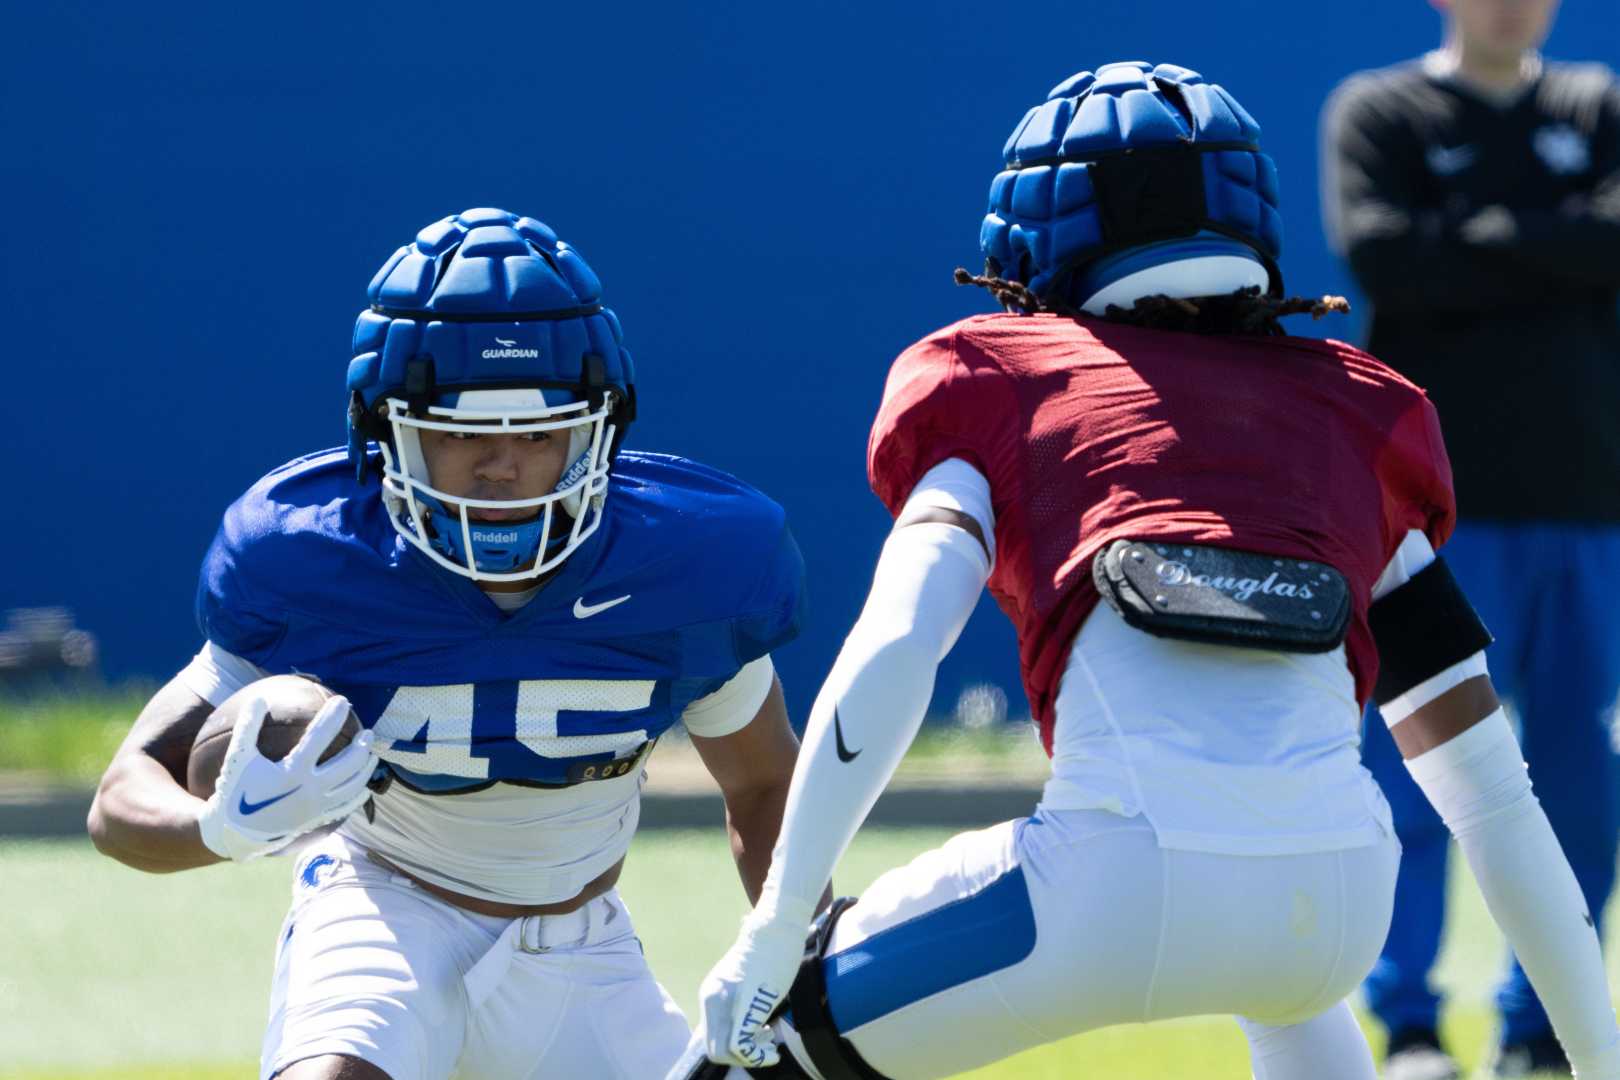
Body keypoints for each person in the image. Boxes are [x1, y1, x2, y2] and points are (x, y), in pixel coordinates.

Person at [670, 62, 1620, 1080]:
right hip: (1335, 910)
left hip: (1106, 895)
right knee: (1286, 994)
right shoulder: (1355, 414)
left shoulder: (996, 378)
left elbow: (899, 642)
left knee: (759, 1041)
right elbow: (1492, 796)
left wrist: (774, 931)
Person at [86, 207, 809, 1080]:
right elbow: (121, 799)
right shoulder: (311, 562)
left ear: (598, 434)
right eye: (459, 435)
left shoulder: (689, 566)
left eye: (538, 434)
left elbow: (765, 783)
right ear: (386, 435)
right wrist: (218, 827)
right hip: (382, 905)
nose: (499, 468)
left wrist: (801, 960)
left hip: (583, 950)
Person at [1321, 2, 1620, 1075]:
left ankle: (1541, 1025)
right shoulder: (1382, 111)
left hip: (1586, 505)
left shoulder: (1601, 103)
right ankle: (1406, 1021)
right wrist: (1560, 242)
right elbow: (1387, 260)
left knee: (1581, 775)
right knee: (1414, 769)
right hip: (1425, 515)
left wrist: (1470, 239)